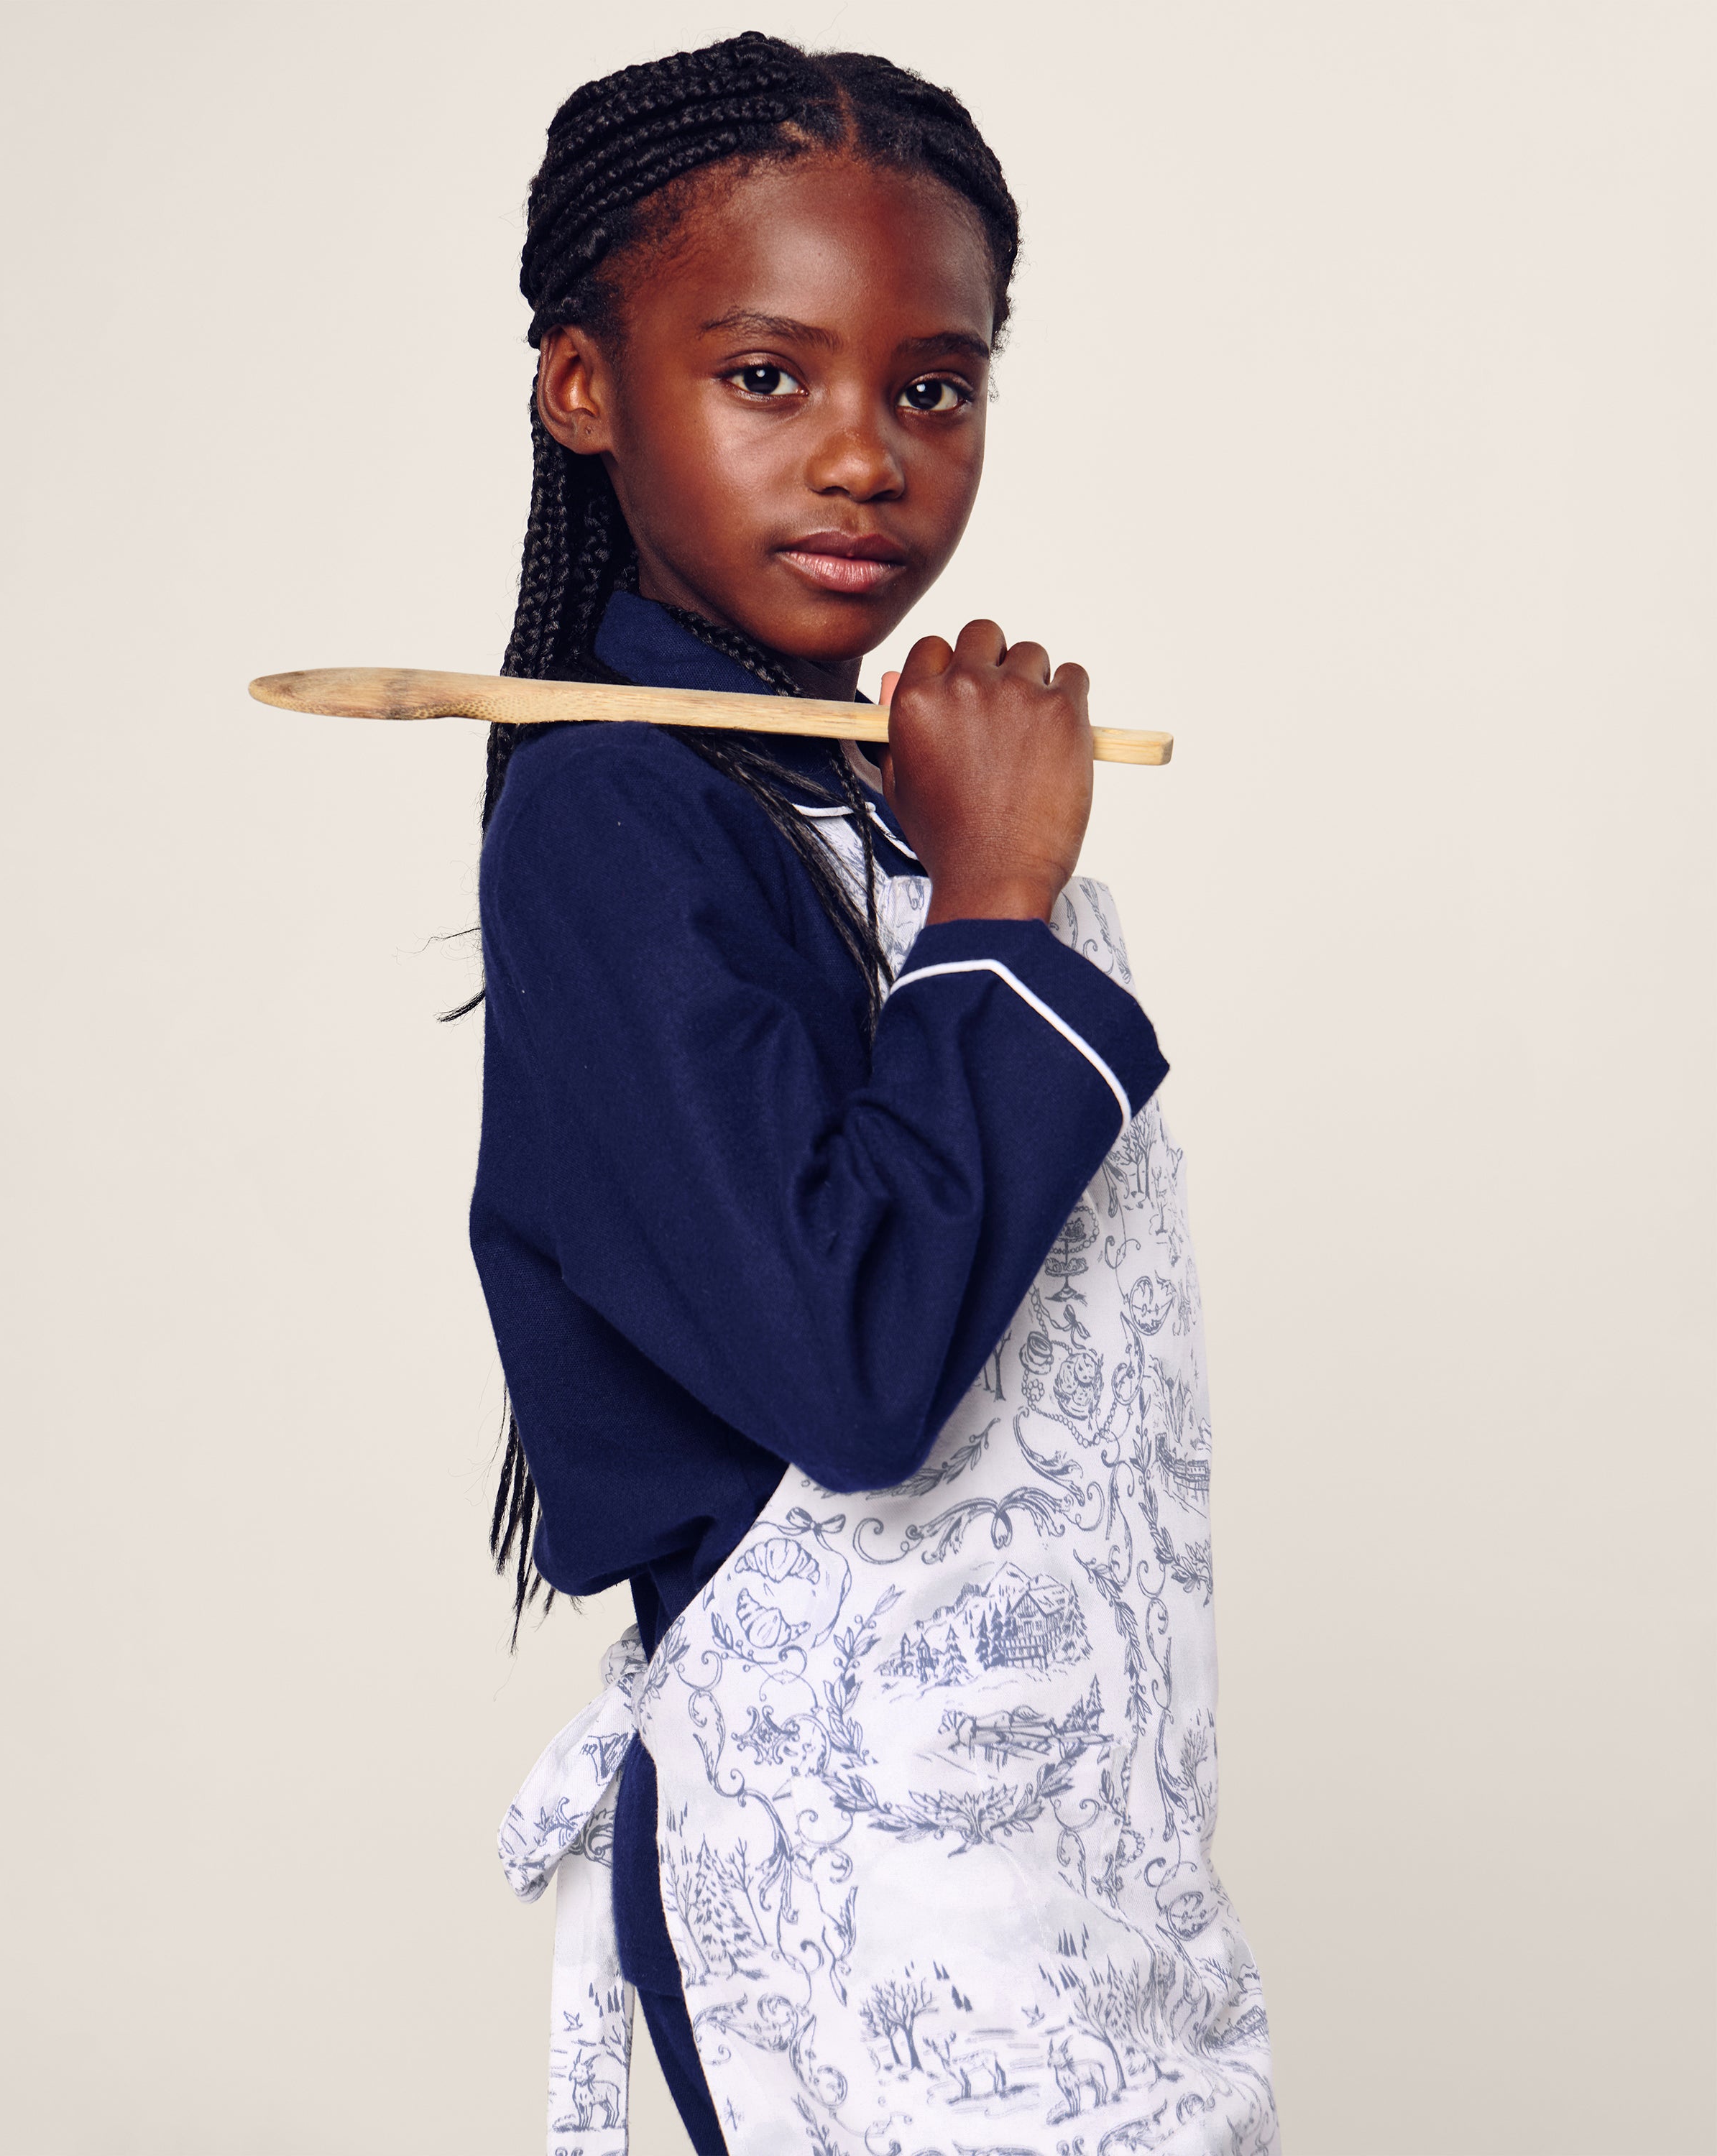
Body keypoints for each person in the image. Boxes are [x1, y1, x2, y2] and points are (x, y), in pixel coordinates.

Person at [474, 33, 1276, 2156]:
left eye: (932, 385)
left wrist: (983, 868)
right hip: (855, 1878)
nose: (863, 456)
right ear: (583, 385)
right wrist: (1002, 906)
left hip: (1078, 1847)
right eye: (768, 377)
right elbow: (849, 1366)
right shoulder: (610, 815)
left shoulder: (903, 801)